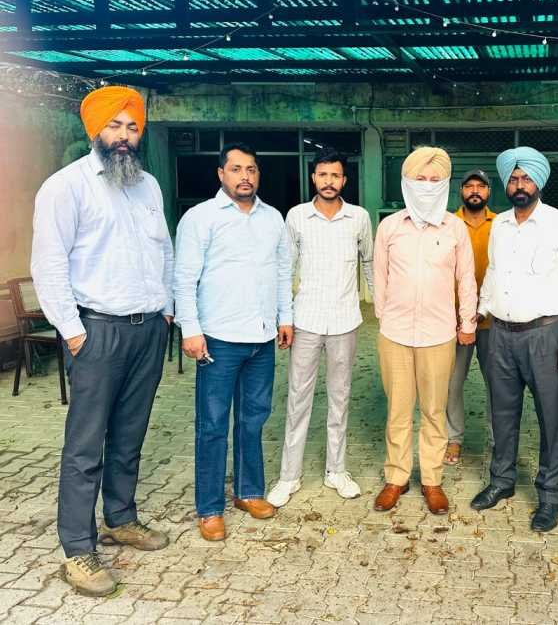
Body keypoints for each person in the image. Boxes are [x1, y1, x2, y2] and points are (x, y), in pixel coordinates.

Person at [31, 86, 173, 597]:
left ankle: (120, 517)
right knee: (85, 445)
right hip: (97, 332)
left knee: (130, 434)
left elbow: (165, 252)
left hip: (148, 329)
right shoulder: (65, 187)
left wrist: (167, 310)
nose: (124, 136)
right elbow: (48, 264)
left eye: (132, 126)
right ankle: (77, 548)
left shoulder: (148, 186)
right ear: (94, 130)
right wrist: (73, 333)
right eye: (114, 125)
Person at [174, 143, 293, 542]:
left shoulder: (272, 218)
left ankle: (248, 492)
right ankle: (209, 509)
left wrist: (286, 318)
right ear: (221, 174)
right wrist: (190, 329)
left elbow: (282, 273)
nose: (245, 176)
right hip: (218, 340)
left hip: (261, 338)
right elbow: (183, 279)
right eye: (237, 169)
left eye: (252, 169)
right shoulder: (200, 218)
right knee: (212, 425)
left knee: (253, 419)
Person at [471, 146, 558, 533]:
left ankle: (550, 494)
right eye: (514, 179)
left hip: (544, 335)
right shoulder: (501, 225)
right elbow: (493, 273)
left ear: (539, 182)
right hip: (501, 334)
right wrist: (481, 310)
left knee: (550, 416)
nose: (520, 185)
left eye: (526, 178)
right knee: (502, 412)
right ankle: (502, 481)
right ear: (506, 184)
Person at [372, 146, 477, 515]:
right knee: (398, 410)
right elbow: (379, 278)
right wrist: (385, 318)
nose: (428, 186)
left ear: (445, 185)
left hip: (439, 333)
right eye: (420, 179)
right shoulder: (389, 227)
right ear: (407, 182)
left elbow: (466, 279)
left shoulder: (455, 228)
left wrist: (467, 323)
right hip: (395, 333)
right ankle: (396, 478)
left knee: (434, 410)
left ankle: (432, 480)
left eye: (435, 180)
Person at [267, 147, 374, 506]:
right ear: (313, 177)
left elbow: (370, 263)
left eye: (335, 175)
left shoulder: (359, 218)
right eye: (323, 175)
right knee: (298, 397)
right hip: (306, 320)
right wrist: (284, 317)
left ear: (345, 180)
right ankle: (289, 476)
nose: (329, 181)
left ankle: (337, 471)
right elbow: (285, 269)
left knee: (340, 396)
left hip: (345, 320)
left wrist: (381, 307)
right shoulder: (297, 216)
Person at [444, 169, 497, 466]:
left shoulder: (501, 224)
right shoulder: (448, 224)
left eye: (481, 186)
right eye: (469, 186)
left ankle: (497, 440)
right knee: (452, 384)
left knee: (497, 383)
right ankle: (454, 438)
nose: (475, 191)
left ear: (488, 191)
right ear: (461, 191)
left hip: (492, 320)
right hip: (454, 320)